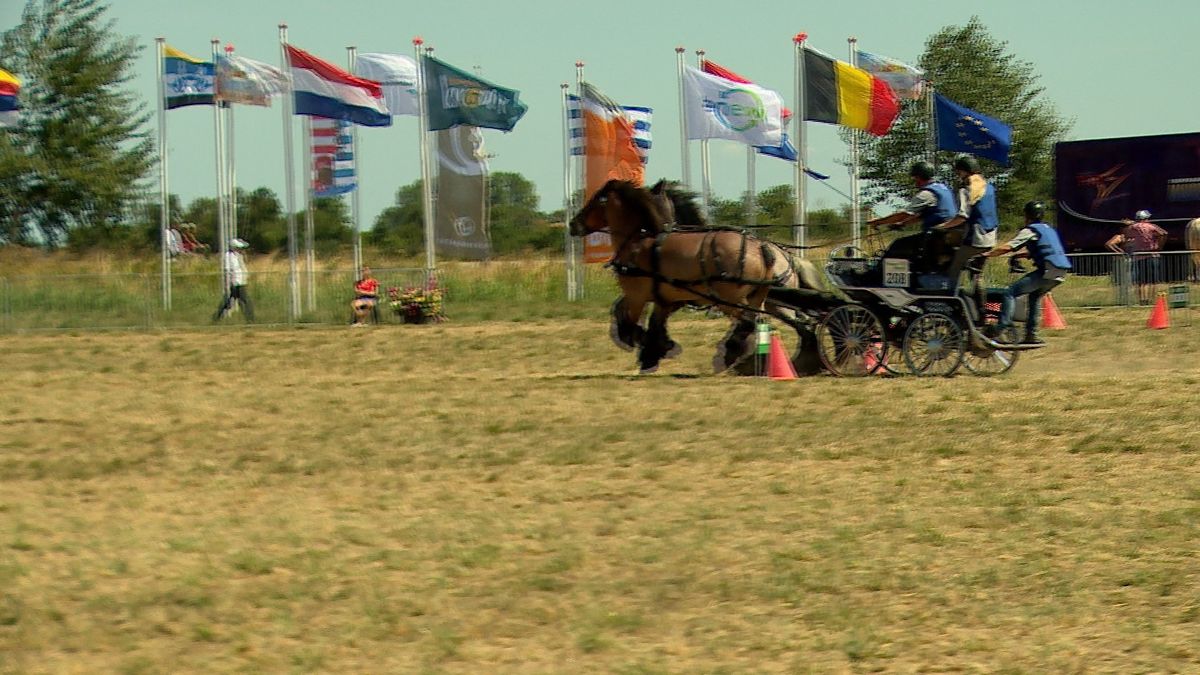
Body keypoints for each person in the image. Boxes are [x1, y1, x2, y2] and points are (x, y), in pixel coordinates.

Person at [982, 201, 1071, 345]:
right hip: (1060, 272)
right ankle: (1031, 335)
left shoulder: (1030, 230)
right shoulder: (1048, 229)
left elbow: (1009, 246)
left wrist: (987, 254)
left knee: (1009, 293)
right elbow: (1041, 250)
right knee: (1034, 296)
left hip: (1047, 271)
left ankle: (1000, 328)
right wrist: (1019, 256)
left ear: (1027, 215)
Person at [867, 160, 958, 275]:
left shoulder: (926, 194)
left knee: (898, 245)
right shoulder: (943, 188)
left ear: (918, 177)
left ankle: (876, 275)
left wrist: (878, 222)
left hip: (935, 235)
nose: (914, 181)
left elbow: (905, 214)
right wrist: (903, 224)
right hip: (947, 234)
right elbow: (924, 215)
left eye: (914, 178)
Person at [933, 155, 999, 303]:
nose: (959, 175)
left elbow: (962, 217)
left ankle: (949, 302)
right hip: (991, 238)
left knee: (954, 269)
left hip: (976, 238)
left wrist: (942, 227)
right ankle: (982, 313)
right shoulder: (989, 188)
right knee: (976, 274)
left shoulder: (966, 190)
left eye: (959, 172)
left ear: (965, 172)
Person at [1106, 209, 1167, 304]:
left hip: (1138, 256)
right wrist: (1159, 246)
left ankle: (1142, 300)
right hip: (1152, 254)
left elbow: (1124, 234)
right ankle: (1152, 299)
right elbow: (1163, 233)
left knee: (1140, 282)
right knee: (1153, 281)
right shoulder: (1151, 226)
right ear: (1146, 218)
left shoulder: (1130, 228)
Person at [213, 238, 254, 322]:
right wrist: (228, 282)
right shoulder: (228, 256)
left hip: (241, 281)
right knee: (245, 300)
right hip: (236, 282)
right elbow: (228, 269)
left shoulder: (239, 256)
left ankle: (216, 318)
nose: (241, 249)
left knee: (229, 301)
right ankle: (250, 319)